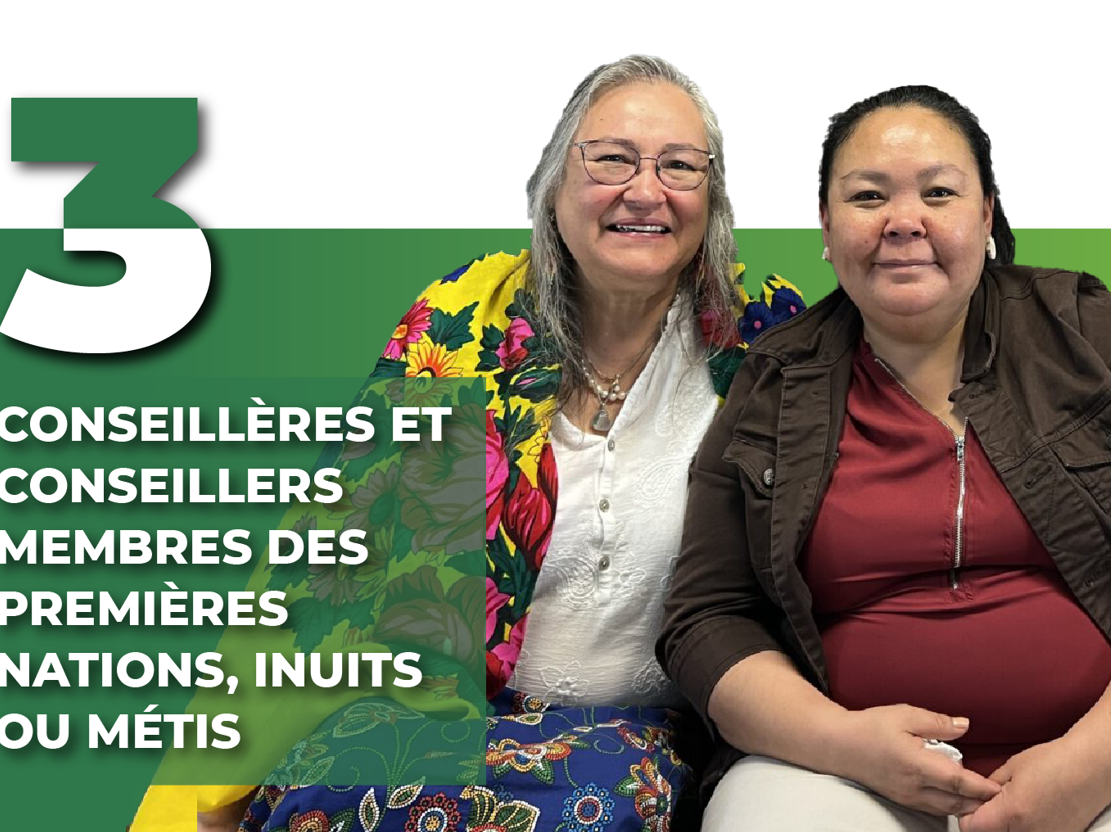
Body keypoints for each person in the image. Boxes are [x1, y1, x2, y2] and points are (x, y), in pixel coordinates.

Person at [134, 54, 804, 832]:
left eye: (679, 166)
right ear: (554, 186)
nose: (645, 190)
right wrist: (220, 783)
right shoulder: (468, 320)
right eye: (612, 158)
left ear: (712, 199)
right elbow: (332, 555)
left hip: (645, 733)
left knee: (598, 805)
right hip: (443, 711)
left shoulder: (766, 340)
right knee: (326, 789)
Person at [659, 85, 1111, 832]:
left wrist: (1087, 769)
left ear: (985, 215)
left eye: (939, 193)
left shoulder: (1095, 342)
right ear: (825, 224)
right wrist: (845, 744)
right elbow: (705, 617)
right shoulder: (772, 384)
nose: (903, 222)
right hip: (843, 777)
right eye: (867, 196)